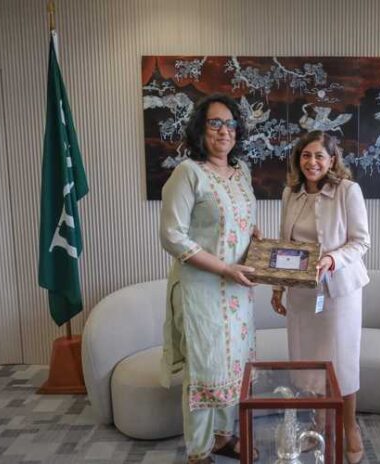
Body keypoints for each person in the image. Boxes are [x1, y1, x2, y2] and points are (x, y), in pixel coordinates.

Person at [160, 93, 259, 464]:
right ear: (200, 129)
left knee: (233, 365)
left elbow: (238, 221)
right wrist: (224, 268)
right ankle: (199, 452)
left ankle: (222, 437)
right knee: (206, 368)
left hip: (238, 290)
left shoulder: (242, 171)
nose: (224, 131)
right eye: (215, 123)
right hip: (201, 289)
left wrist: (255, 238)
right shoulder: (188, 173)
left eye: (230, 123)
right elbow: (172, 235)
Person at [271, 130, 370, 464]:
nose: (311, 162)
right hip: (302, 294)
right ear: (298, 159)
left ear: (332, 160)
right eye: (305, 155)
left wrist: (331, 259)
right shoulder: (290, 193)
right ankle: (318, 426)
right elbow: (285, 245)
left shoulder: (348, 191)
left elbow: (361, 241)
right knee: (307, 363)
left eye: (319, 156)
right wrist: (277, 287)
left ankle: (350, 429)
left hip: (339, 293)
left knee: (342, 364)